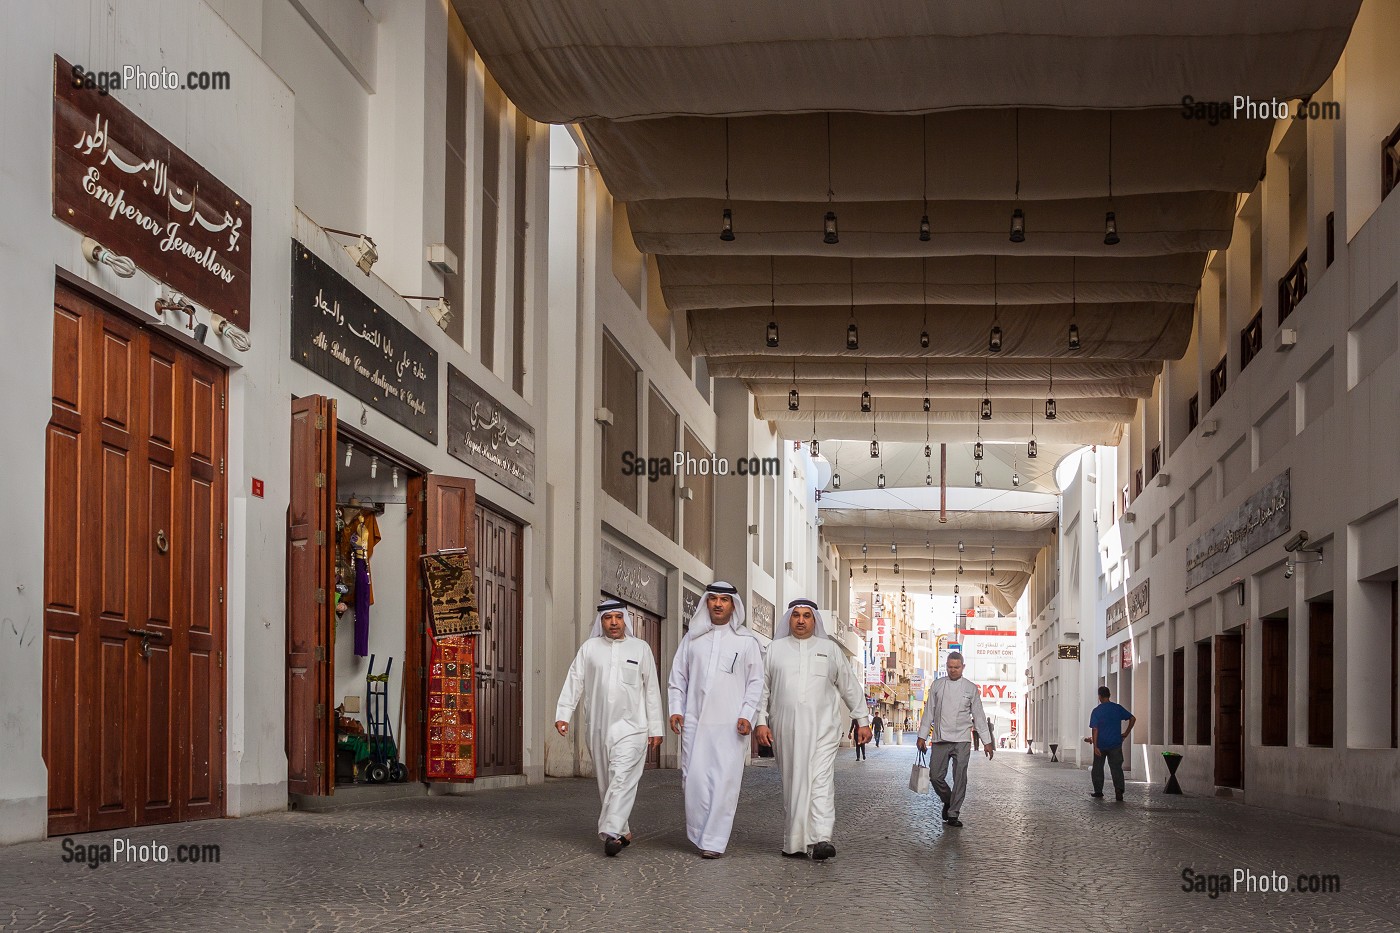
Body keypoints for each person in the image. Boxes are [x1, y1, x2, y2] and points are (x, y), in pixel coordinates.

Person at [755, 599, 869, 860]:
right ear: (789, 619)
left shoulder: (830, 649)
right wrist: (761, 721)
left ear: (814, 620)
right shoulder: (774, 650)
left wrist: (862, 720)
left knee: (821, 781)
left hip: (824, 730)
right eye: (796, 615)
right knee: (793, 783)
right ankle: (795, 843)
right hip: (786, 730)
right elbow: (762, 690)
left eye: (807, 616)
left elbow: (849, 685)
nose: (801, 620)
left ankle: (821, 839)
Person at [555, 599, 664, 856]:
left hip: (633, 727)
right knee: (608, 782)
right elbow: (575, 680)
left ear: (625, 619)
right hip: (598, 727)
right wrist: (564, 714)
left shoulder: (641, 648)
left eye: (618, 617)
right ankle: (623, 832)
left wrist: (655, 727)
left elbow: (651, 690)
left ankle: (611, 832)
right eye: (608, 618)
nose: (613, 622)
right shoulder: (589, 648)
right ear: (601, 621)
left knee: (622, 777)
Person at [667, 582, 765, 858]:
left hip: (731, 726)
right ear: (706, 603)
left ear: (734, 605)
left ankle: (714, 840)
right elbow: (678, 678)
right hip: (695, 723)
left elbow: (756, 683)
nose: (718, 604)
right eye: (713, 599)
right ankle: (700, 833)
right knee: (693, 780)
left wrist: (747, 714)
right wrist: (676, 708)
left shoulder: (746, 642)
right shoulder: (692, 639)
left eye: (724, 599)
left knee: (725, 782)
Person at [916, 652, 993, 828]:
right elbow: (928, 712)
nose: (953, 670)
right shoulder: (937, 685)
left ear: (963, 667)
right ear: (946, 667)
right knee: (935, 776)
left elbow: (979, 716)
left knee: (960, 778)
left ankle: (953, 813)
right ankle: (948, 799)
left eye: (956, 667)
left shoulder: (970, 688)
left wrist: (987, 741)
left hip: (962, 739)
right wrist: (922, 736)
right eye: (950, 667)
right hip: (940, 738)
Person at [1089, 686, 1136, 801]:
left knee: (1098, 768)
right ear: (1109, 695)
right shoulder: (1117, 708)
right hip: (1115, 744)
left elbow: (1095, 729)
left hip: (1100, 744)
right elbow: (1132, 718)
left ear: (1099, 696)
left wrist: (1095, 746)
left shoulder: (1097, 711)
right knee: (1116, 768)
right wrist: (1126, 733)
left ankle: (1098, 791)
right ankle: (1119, 790)